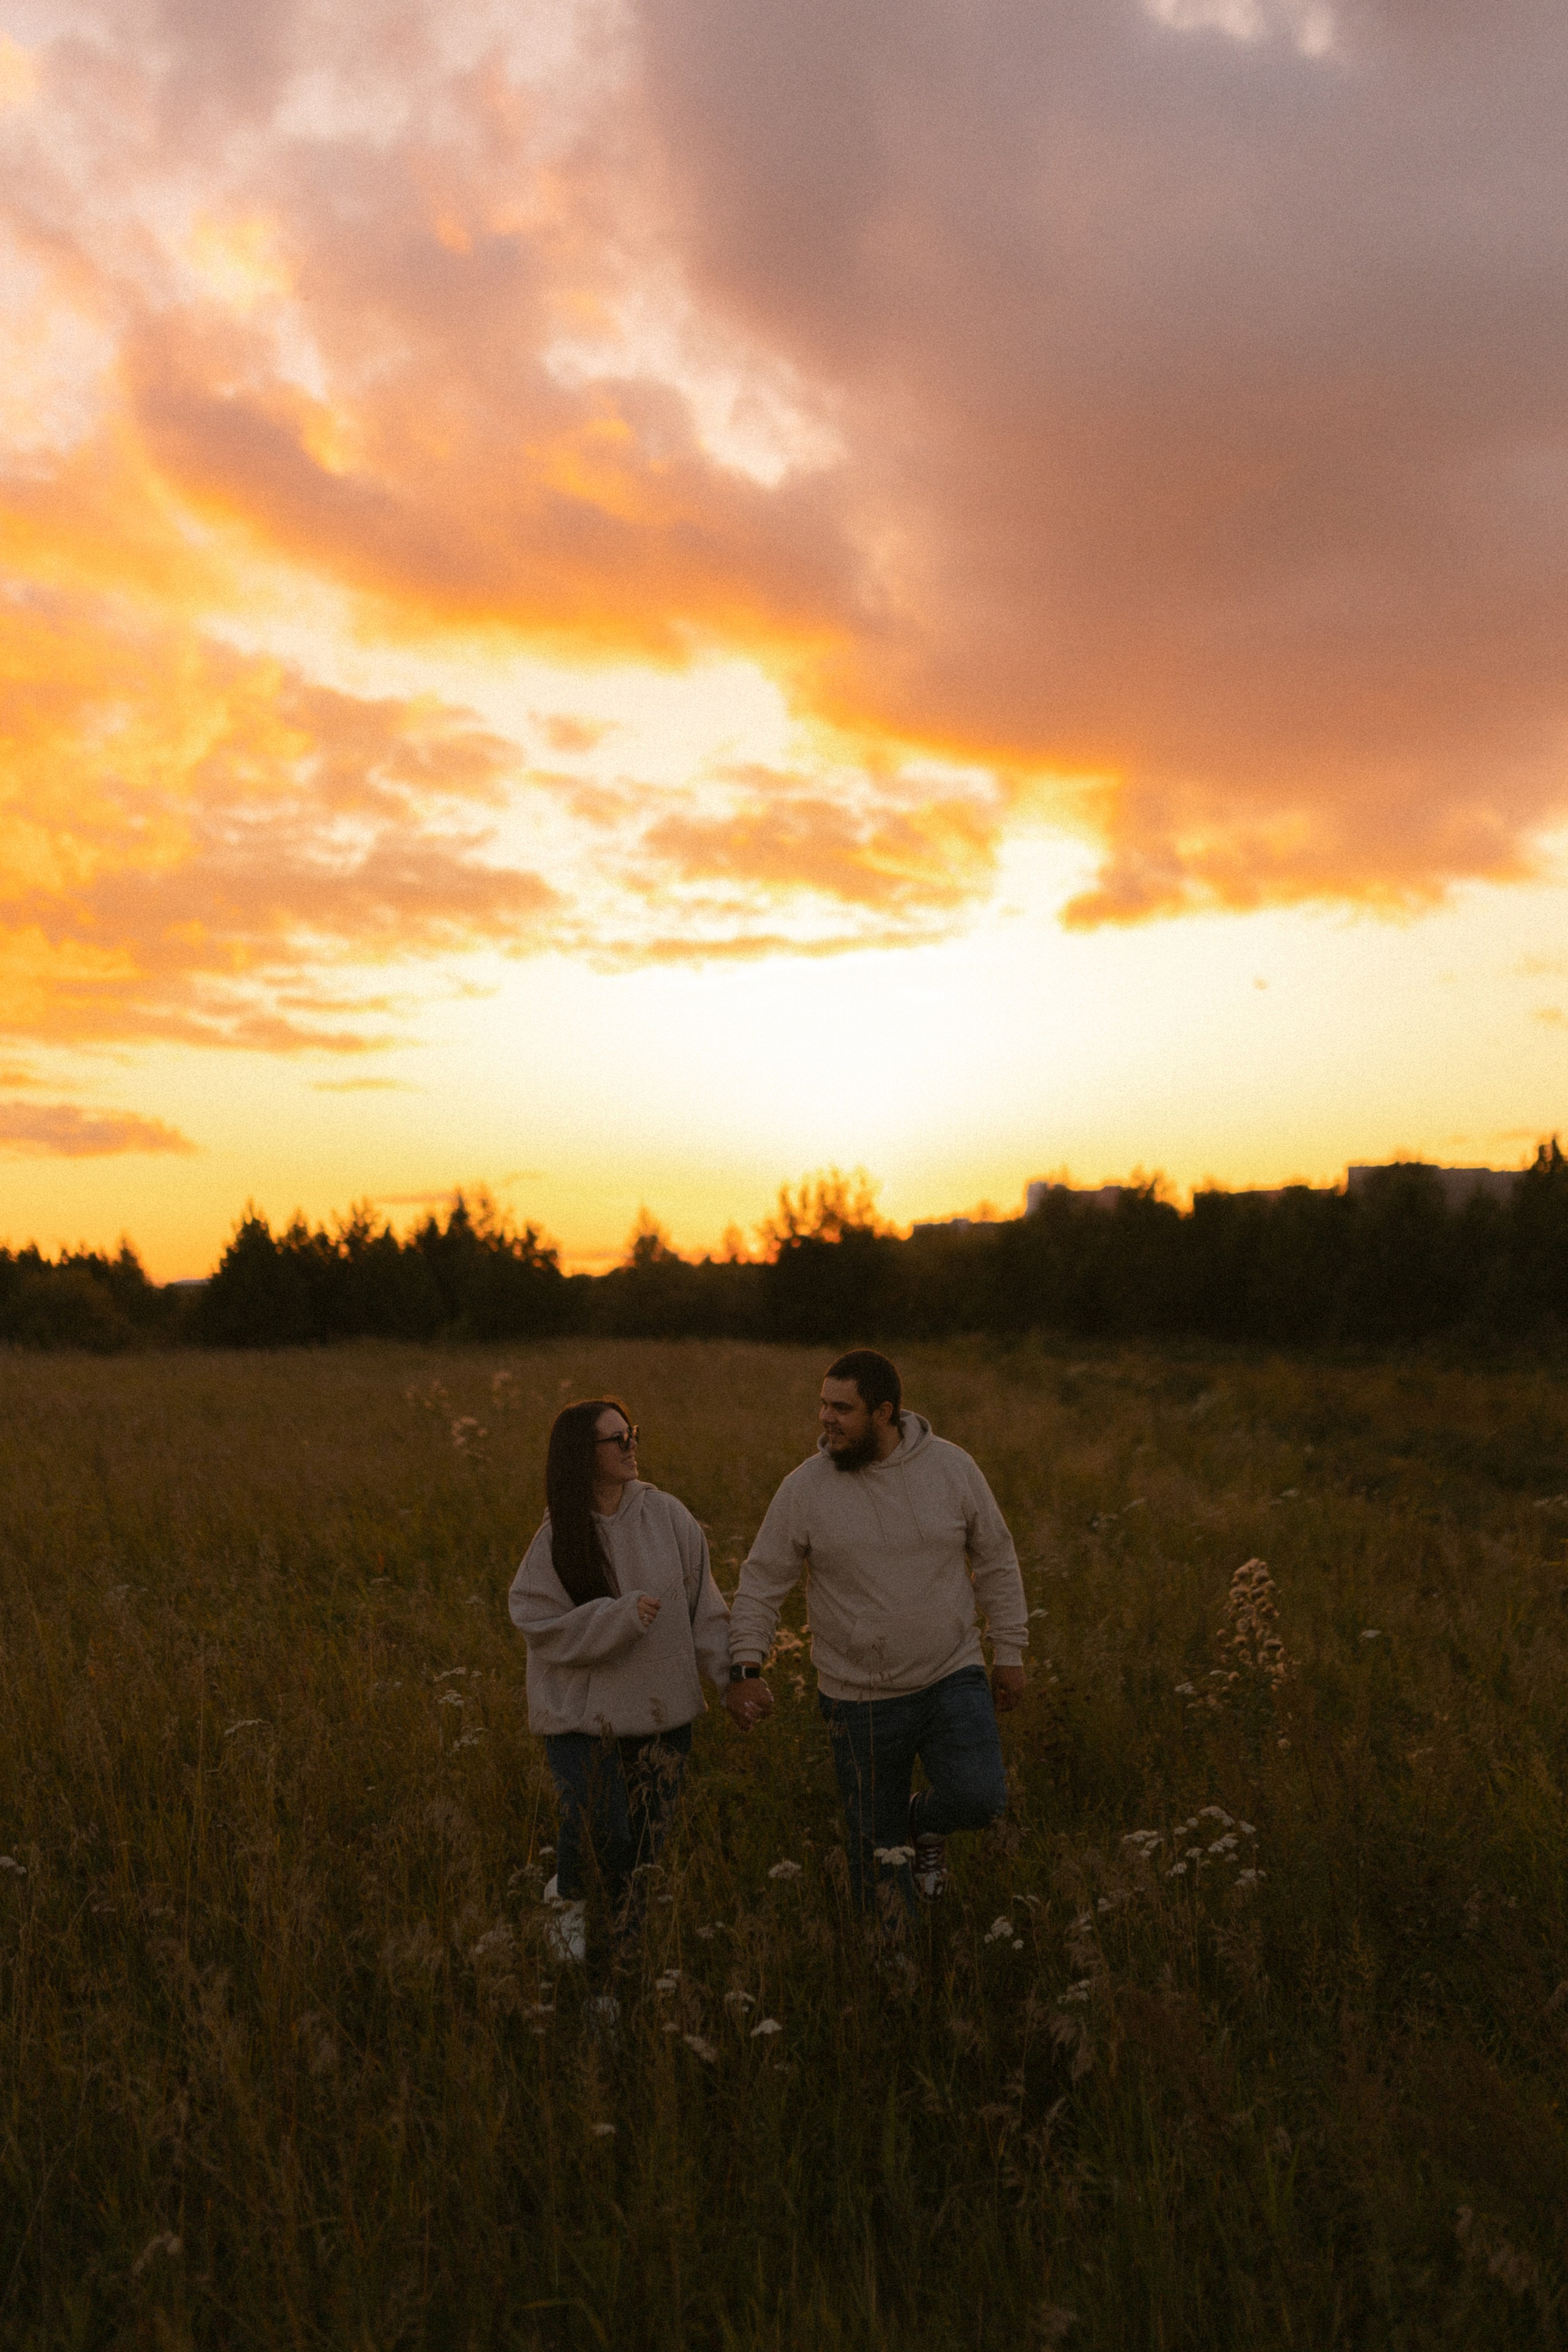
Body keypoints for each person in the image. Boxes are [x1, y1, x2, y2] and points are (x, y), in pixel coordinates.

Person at [727, 1349, 1027, 1913]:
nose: (826, 1419)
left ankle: (924, 1821)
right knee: (876, 1848)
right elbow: (763, 1581)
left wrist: (1009, 1651)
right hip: (858, 1696)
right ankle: (894, 1955)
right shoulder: (805, 1488)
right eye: (823, 1404)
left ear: (884, 1413)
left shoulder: (952, 1469)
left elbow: (996, 1558)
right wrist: (745, 1665)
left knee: (979, 1798)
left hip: (951, 1674)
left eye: (842, 1408)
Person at [509, 1398, 731, 1971]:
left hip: (662, 1715)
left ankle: (617, 1966)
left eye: (631, 1432)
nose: (632, 1445)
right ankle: (568, 1896)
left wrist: (733, 1681)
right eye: (617, 1439)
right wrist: (618, 1617)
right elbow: (537, 1624)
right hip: (581, 1721)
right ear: (583, 1456)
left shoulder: (668, 1516)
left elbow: (705, 1607)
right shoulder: (558, 1537)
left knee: (643, 1853)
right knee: (600, 1831)